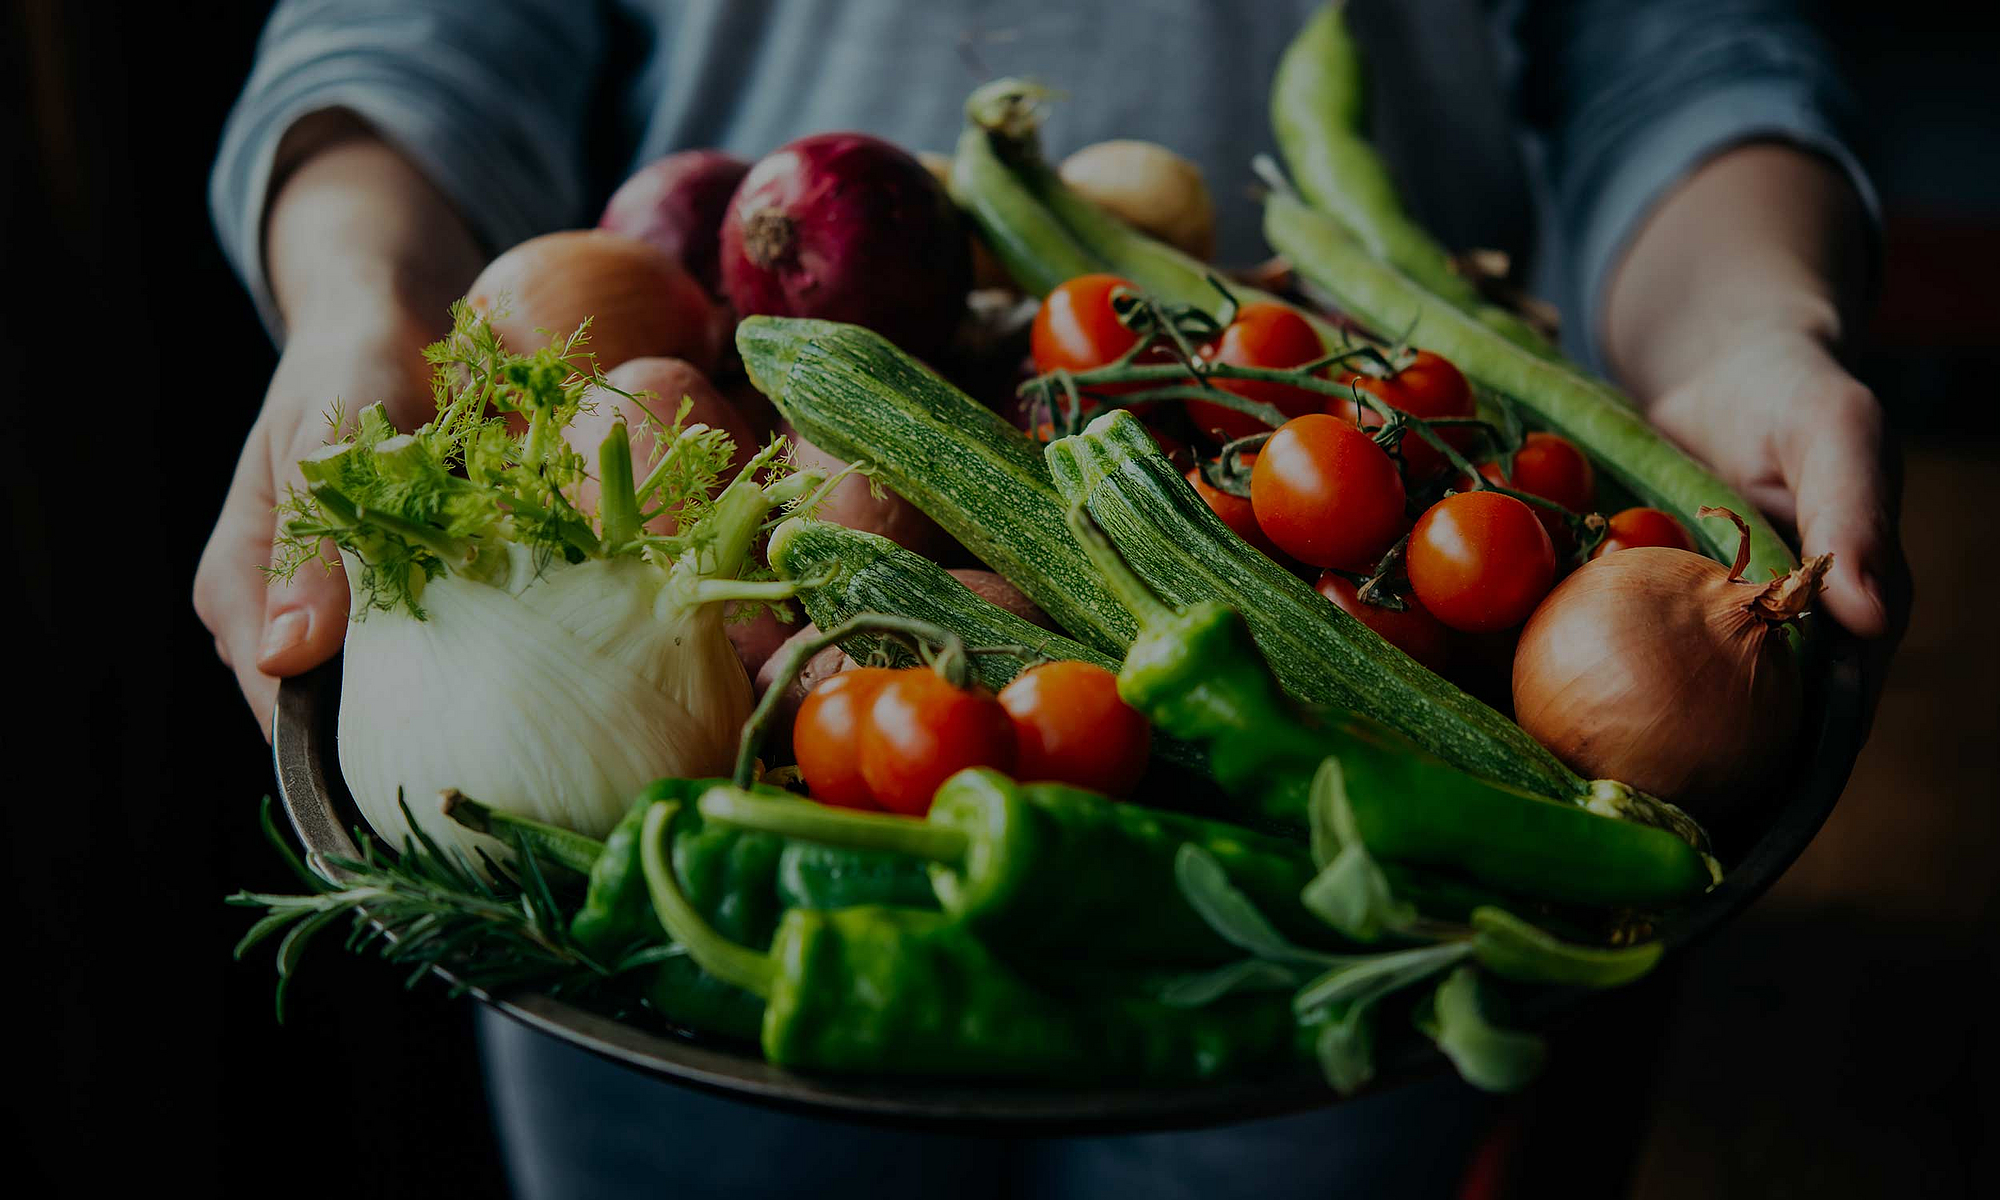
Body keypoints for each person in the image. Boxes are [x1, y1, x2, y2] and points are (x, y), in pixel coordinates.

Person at [195, 2, 1909, 1196]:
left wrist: (1753, 323)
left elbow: (1678, 43)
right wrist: (360, 304)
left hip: (1345, 786)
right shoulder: (797, 480)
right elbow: (417, 29)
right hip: (682, 784)